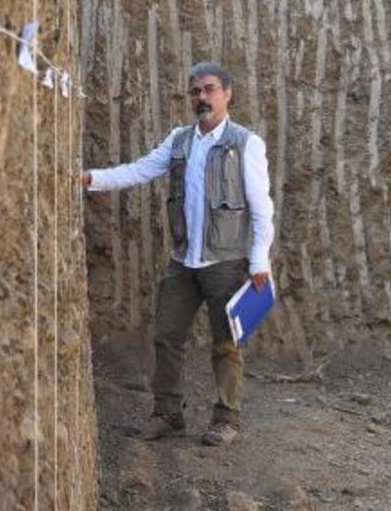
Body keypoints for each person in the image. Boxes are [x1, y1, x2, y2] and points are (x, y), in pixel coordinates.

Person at [81, 61, 275, 446]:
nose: (201, 97)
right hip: (183, 262)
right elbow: (139, 170)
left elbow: (261, 207)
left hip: (226, 262)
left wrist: (258, 260)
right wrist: (92, 179)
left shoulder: (245, 143)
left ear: (227, 93)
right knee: (167, 336)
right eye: (195, 91)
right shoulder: (179, 141)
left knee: (226, 342)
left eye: (209, 89)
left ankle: (227, 418)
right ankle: (168, 414)